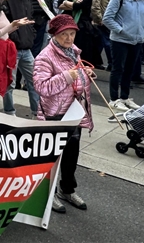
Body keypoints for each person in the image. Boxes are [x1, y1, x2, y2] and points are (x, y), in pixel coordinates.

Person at [33, 14, 94, 214]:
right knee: (50, 159)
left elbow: (78, 82)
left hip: (73, 112)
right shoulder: (45, 56)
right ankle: (45, 195)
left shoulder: (74, 53)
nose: (69, 38)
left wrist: (86, 76)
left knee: (71, 156)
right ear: (54, 35)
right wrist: (67, 77)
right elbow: (41, 88)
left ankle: (67, 190)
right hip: (54, 114)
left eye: (72, 34)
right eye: (64, 34)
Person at [102, 0, 144, 111]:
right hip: (120, 40)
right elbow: (107, 18)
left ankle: (124, 97)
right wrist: (121, 30)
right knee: (118, 69)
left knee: (129, 70)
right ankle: (114, 99)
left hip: (137, 40)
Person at [3, 0, 41, 115]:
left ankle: (37, 112)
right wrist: (15, 37)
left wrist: (30, 33)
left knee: (34, 82)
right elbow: (5, 21)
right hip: (12, 47)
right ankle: (9, 112)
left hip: (26, 47)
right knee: (9, 84)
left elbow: (29, 16)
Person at [58, 0, 103, 67]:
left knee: (80, 51)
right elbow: (59, 3)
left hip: (81, 24)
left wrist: (69, 3)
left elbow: (81, 5)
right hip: (66, 22)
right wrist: (70, 4)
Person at [92, 0, 120, 70]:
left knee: (101, 41)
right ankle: (112, 64)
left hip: (112, 15)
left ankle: (94, 61)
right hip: (104, 16)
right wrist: (98, 17)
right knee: (108, 42)